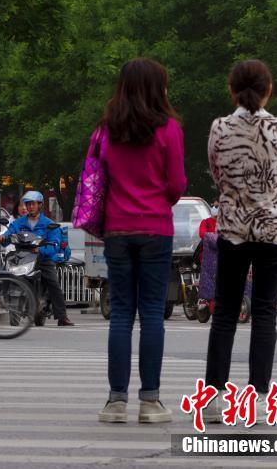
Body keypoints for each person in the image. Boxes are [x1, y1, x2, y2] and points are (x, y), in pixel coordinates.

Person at [203, 60, 277, 423]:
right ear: (268, 89)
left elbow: (216, 172)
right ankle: (258, 397)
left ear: (232, 90)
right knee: (264, 312)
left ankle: (214, 399)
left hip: (234, 229)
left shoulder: (220, 128)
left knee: (225, 313)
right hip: (274, 231)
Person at [93, 58, 186, 424]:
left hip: (116, 229)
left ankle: (116, 402)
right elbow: (177, 186)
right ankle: (150, 402)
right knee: (151, 314)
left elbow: (94, 180)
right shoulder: (169, 129)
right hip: (155, 230)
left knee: (120, 314)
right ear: (156, 88)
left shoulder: (105, 130)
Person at [0, 190, 74, 327]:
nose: (30, 206)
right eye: (28, 204)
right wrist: (2, 238)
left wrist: (41, 249)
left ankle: (62, 316)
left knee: (53, 284)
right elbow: (8, 235)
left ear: (40, 205)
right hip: (22, 257)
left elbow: (55, 245)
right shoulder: (19, 223)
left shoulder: (49, 224)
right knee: (4, 275)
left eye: (33, 204)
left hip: (42, 259)